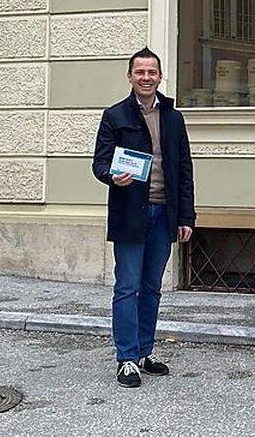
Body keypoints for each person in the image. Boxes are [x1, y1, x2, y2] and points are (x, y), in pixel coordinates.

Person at [92, 47, 195, 388]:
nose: (146, 78)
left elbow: (184, 170)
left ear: (160, 76)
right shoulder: (115, 115)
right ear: (130, 76)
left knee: (152, 288)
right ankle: (126, 358)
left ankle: (144, 352)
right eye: (140, 72)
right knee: (127, 287)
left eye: (152, 72)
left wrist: (186, 216)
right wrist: (111, 175)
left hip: (165, 214)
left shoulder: (173, 117)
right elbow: (100, 163)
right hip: (130, 214)